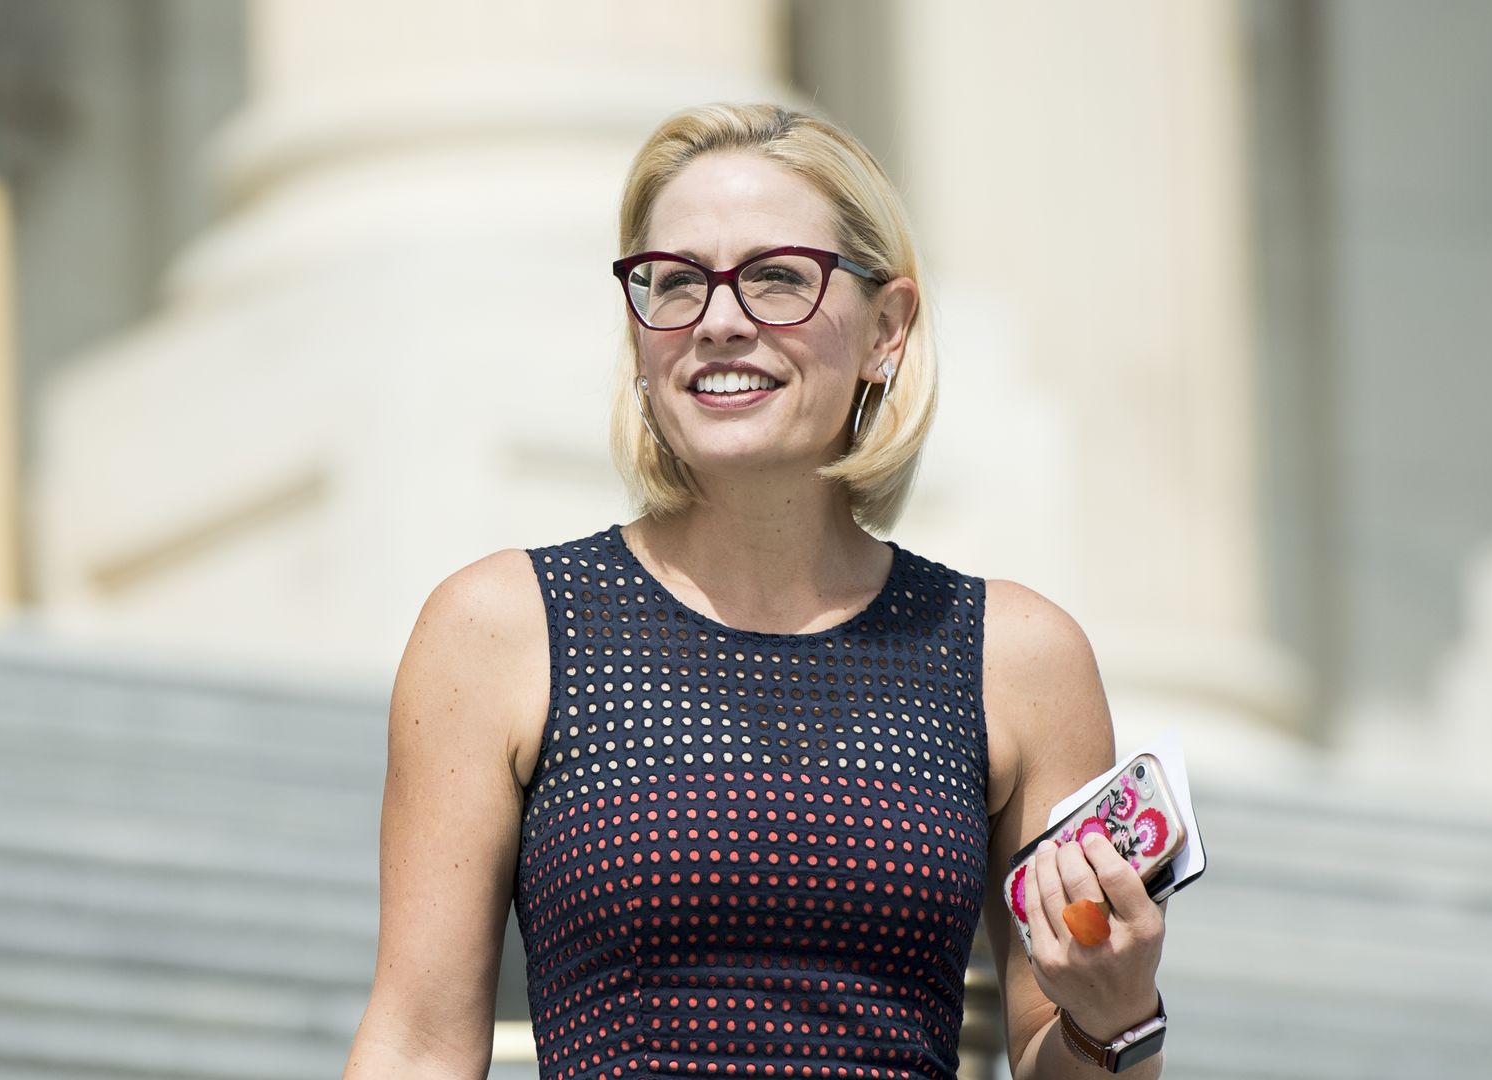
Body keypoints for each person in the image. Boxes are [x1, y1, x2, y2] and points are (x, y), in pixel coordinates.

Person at [341, 102, 1167, 1080]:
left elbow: (1058, 1051)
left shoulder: (1017, 657)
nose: (720, 321)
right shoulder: (500, 629)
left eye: (778, 278)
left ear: (886, 329)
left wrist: (1111, 1019)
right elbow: (418, 1045)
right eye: (676, 283)